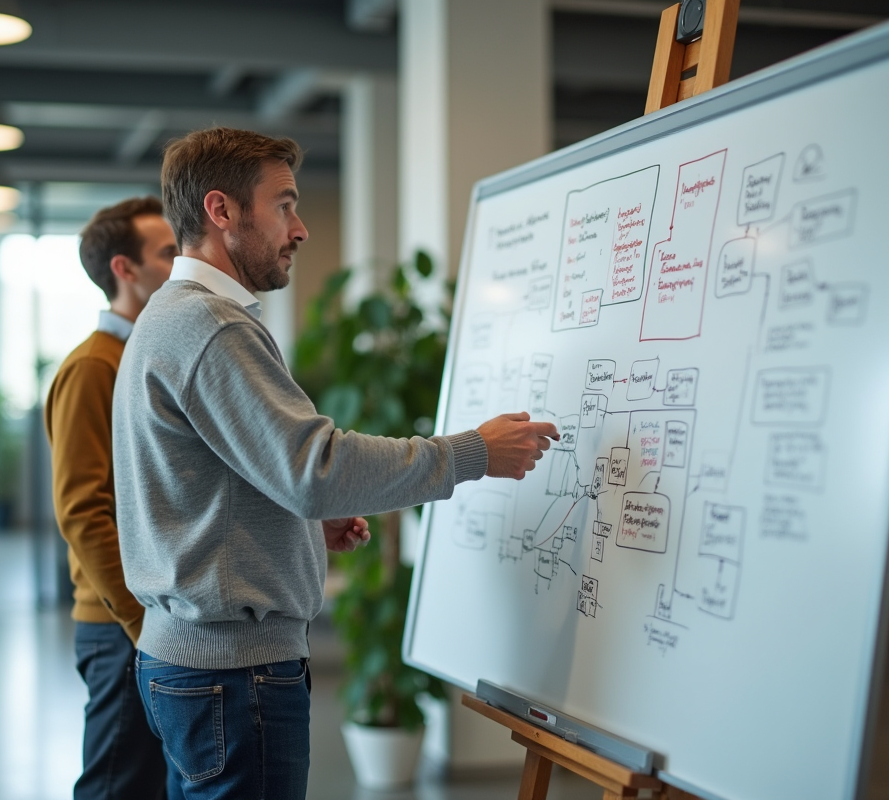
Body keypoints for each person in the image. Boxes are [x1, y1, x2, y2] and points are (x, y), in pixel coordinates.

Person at [112, 126, 558, 799]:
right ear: (221, 211)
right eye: (284, 204)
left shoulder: (172, 316)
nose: (301, 229)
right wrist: (473, 452)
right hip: (233, 675)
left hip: (196, 663)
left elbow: (212, 482)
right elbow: (314, 467)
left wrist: (292, 529)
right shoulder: (212, 325)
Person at [44, 197, 176, 800]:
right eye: (169, 253)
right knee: (116, 787)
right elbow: (81, 511)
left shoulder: (145, 357)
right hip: (123, 625)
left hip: (154, 618)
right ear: (125, 269)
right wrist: (141, 622)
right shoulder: (95, 368)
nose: (184, 263)